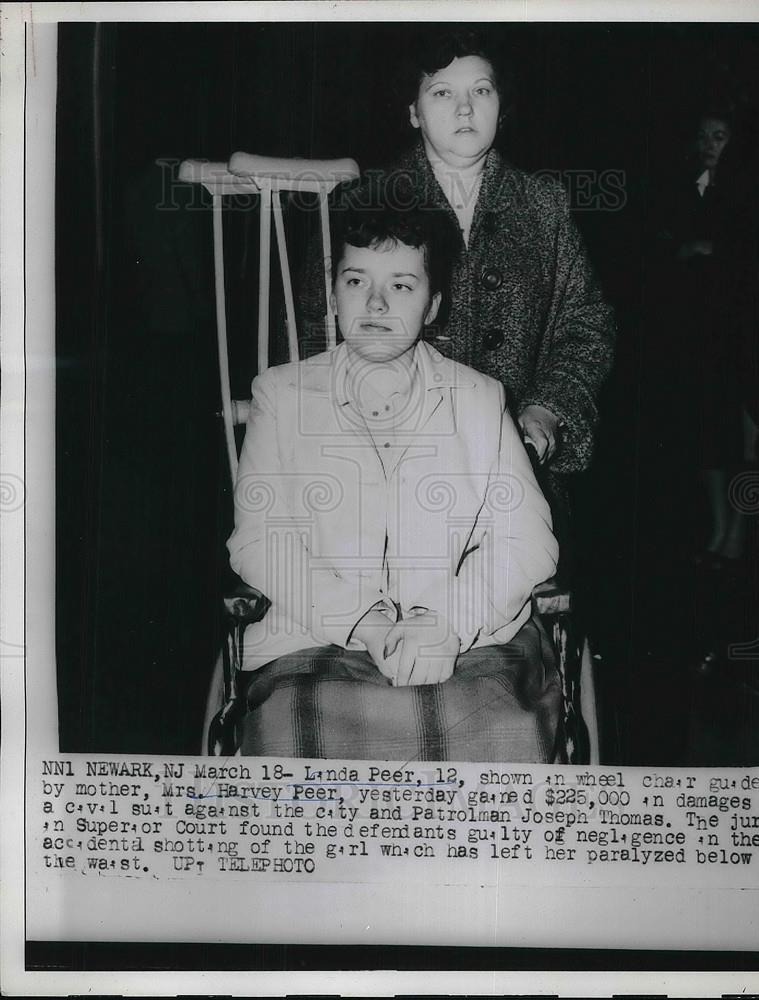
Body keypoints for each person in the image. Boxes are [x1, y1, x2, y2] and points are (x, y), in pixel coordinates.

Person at [227, 205, 562, 762]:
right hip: (318, 636)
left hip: (466, 641)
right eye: (356, 281)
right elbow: (260, 542)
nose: (376, 305)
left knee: (503, 733)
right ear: (333, 296)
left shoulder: (478, 398)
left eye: (401, 286)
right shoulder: (281, 397)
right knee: (291, 732)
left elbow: (527, 542)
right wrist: (366, 622)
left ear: (433, 305)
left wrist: (443, 622)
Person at [299, 29, 615, 481]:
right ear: (413, 111)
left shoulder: (544, 205)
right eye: (442, 92)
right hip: (382, 462)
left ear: (501, 106)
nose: (465, 108)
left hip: (514, 466)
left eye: (481, 91)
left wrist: (547, 408)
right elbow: (315, 325)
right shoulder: (362, 201)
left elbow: (587, 325)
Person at [651, 109, 757, 568]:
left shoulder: (745, 193)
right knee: (709, 429)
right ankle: (720, 530)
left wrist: (708, 249)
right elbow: (662, 247)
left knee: (748, 433)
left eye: (721, 135)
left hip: (744, 325)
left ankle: (738, 531)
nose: (711, 144)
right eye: (704, 136)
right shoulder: (685, 189)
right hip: (704, 329)